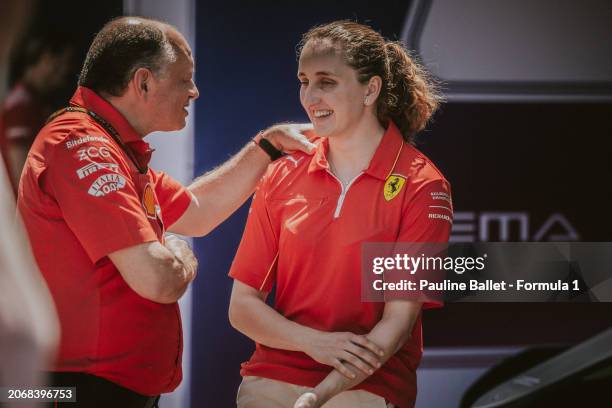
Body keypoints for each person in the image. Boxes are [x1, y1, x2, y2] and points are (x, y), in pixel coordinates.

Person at [17, 16, 314, 407]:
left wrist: (267, 146)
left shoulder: (112, 146)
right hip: (78, 389)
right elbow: (157, 280)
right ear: (143, 82)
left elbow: (198, 210)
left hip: (101, 387)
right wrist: (180, 256)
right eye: (184, 79)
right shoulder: (80, 144)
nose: (194, 92)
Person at [228, 21, 452, 408]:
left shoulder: (422, 185)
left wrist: (320, 394)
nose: (309, 96)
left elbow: (396, 325)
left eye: (326, 81)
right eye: (303, 81)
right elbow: (242, 307)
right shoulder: (282, 173)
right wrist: (314, 343)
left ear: (371, 89)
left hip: (368, 385)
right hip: (272, 378)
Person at [0, 31, 74, 194]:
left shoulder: (36, 102)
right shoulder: (20, 104)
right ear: (41, 57)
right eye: (58, 63)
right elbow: (19, 171)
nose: (63, 72)